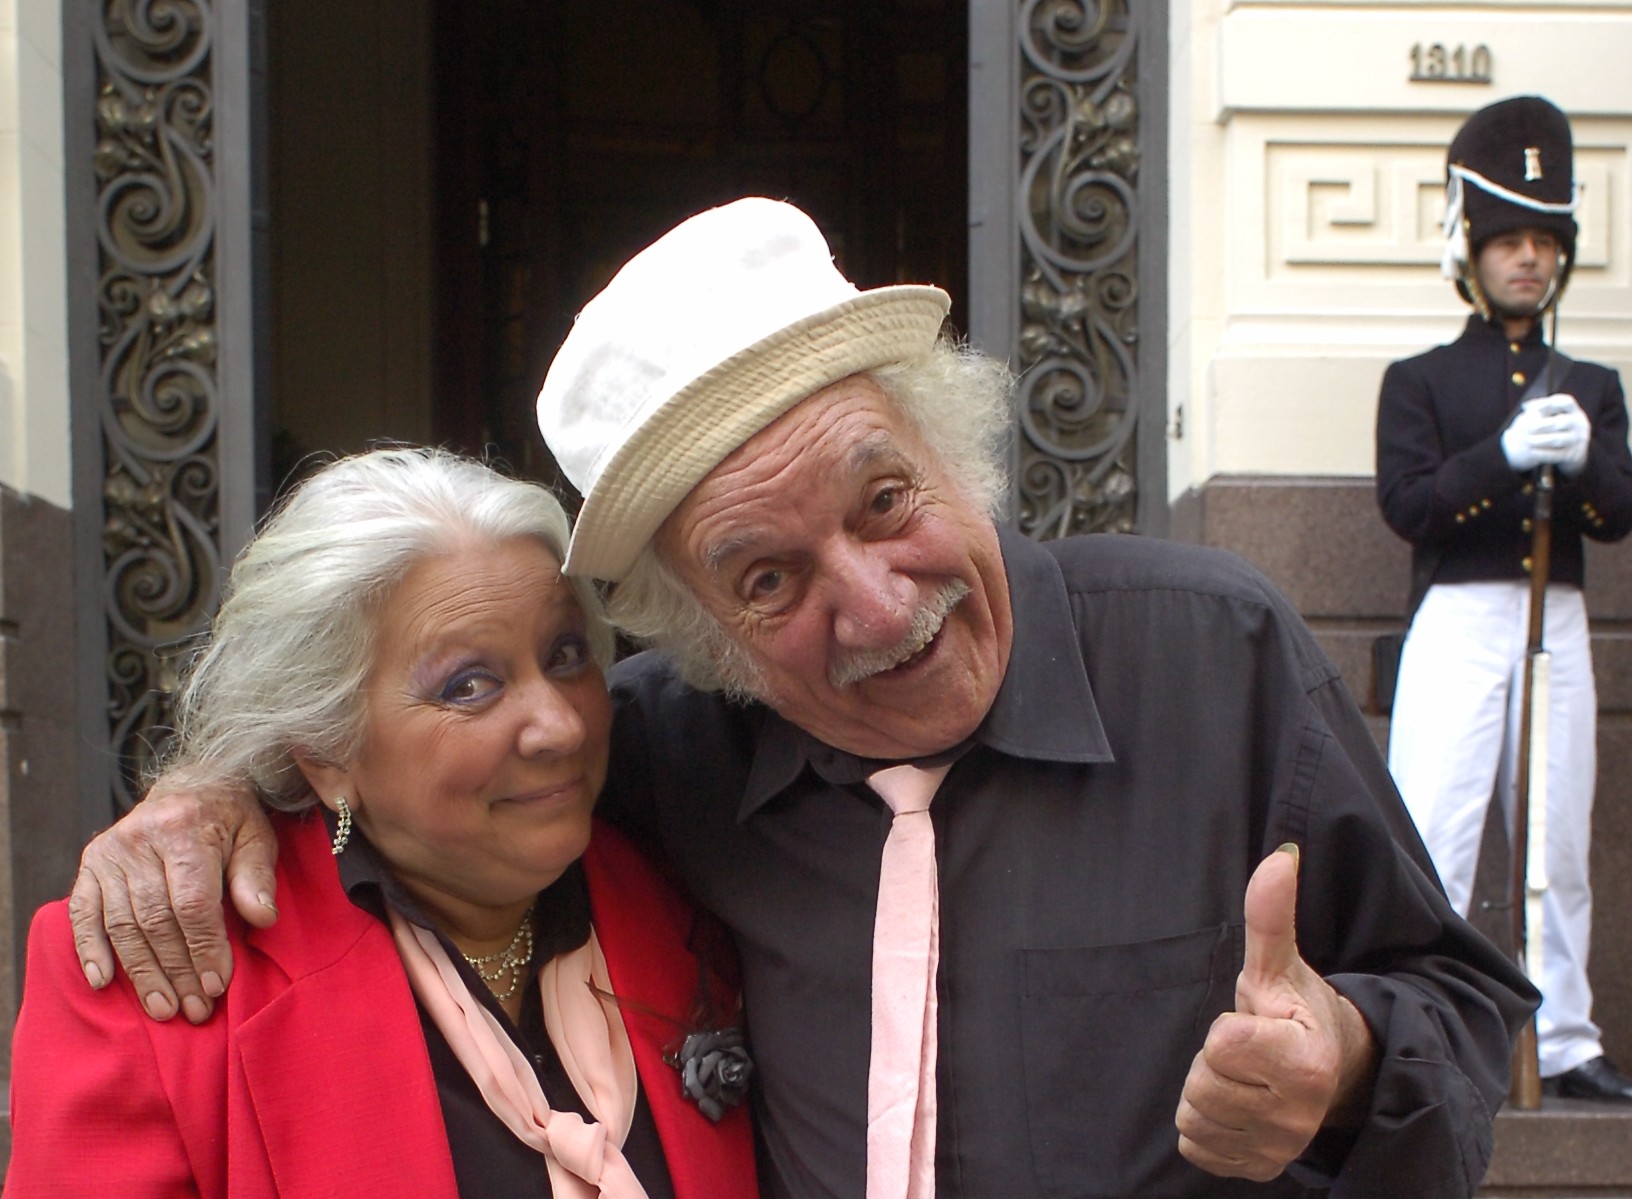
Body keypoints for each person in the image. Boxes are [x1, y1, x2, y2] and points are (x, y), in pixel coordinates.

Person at [72, 199, 1533, 1197]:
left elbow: (1462, 1001)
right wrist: (209, 791)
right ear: (699, 631)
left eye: (885, 498)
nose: (881, 607)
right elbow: (432, 759)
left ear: (949, 443)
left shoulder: (1218, 656)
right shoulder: (657, 749)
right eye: (766, 578)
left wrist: (1347, 1059)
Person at [9, 448, 759, 1197]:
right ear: (326, 751)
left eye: (565, 654)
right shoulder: (158, 971)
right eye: (470, 685)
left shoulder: (685, 880)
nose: (560, 726)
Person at [1376, 95, 1632, 1103]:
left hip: (1553, 618)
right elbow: (1410, 504)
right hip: (1460, 618)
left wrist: (1586, 461)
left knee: (1557, 841)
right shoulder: (1422, 380)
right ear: (1473, 252)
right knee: (1435, 829)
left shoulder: (1592, 385)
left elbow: (1618, 513)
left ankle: (1563, 1039)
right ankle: (1424, 1026)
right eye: (1508, 241)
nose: (1528, 259)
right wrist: (1505, 455)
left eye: (1543, 243)